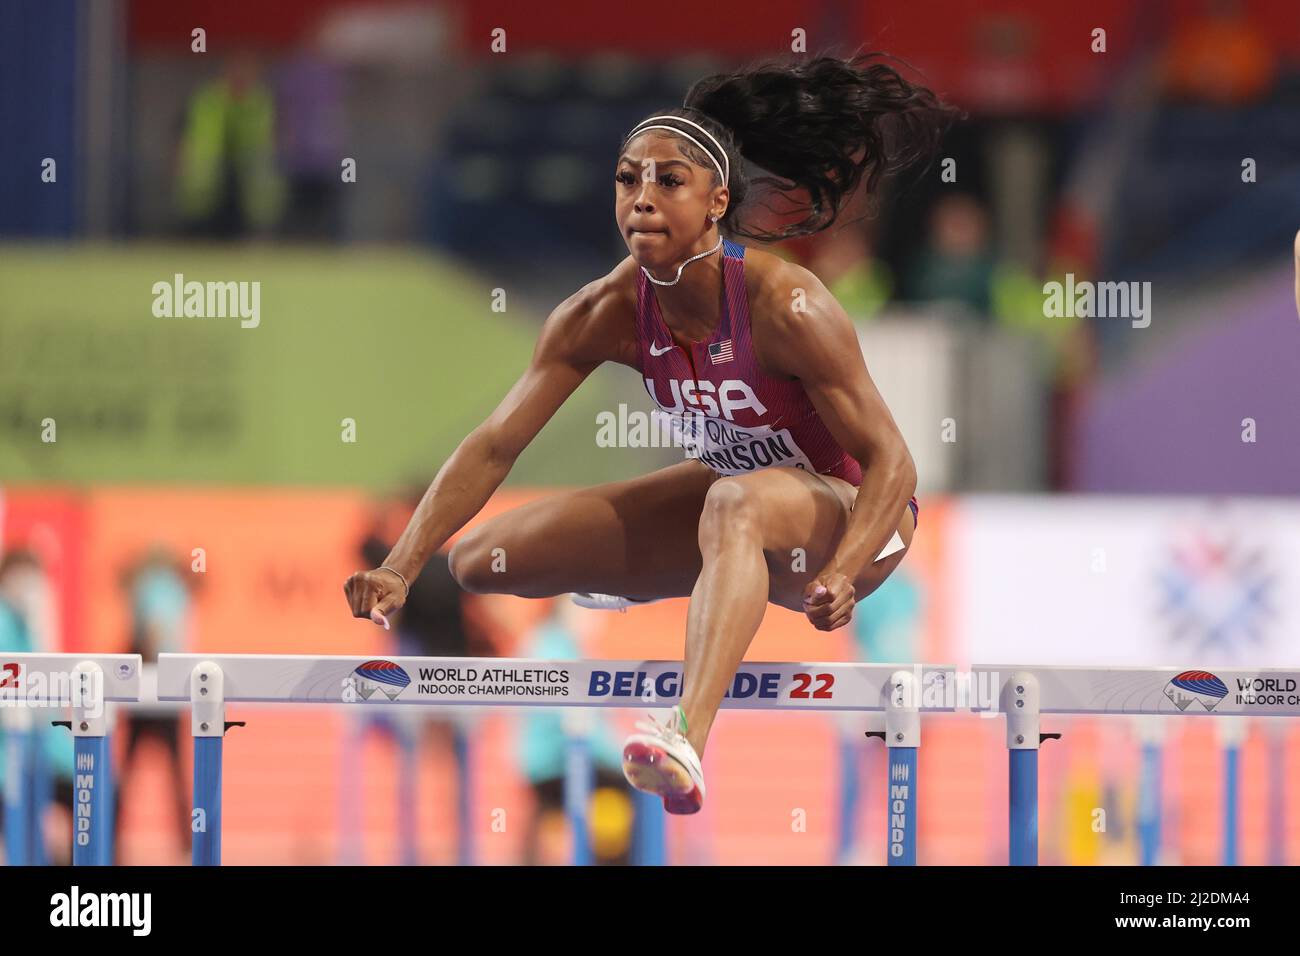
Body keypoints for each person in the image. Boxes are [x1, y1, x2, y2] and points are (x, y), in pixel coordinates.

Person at [345, 52, 955, 815]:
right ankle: (650, 572)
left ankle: (685, 740)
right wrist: (404, 565)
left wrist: (847, 567)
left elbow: (894, 461)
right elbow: (495, 444)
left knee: (734, 503)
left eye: (668, 181)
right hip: (738, 504)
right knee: (481, 561)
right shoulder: (601, 311)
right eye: (627, 179)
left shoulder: (784, 304)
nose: (640, 198)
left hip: (856, 523)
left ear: (716, 201)